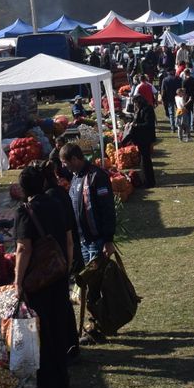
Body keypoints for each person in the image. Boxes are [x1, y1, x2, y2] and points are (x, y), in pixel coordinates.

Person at [14, 163, 75, 388]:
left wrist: (18, 281)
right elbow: (68, 240)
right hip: (58, 275)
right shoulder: (58, 204)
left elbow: (23, 249)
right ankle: (62, 377)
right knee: (59, 326)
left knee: (43, 330)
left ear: (22, 189)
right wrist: (65, 268)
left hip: (38, 281)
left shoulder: (25, 211)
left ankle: (46, 382)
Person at [60, 142, 116, 346]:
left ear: (75, 159)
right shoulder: (75, 178)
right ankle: (101, 323)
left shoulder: (96, 176)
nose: (65, 167)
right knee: (90, 285)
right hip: (83, 242)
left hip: (97, 240)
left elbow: (107, 208)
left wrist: (108, 239)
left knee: (95, 286)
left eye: (66, 163)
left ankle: (96, 327)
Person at [123, 93, 157, 187]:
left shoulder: (147, 109)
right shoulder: (141, 109)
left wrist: (136, 125)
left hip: (145, 138)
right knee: (144, 161)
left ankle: (149, 182)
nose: (135, 105)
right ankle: (146, 180)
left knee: (146, 161)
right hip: (142, 138)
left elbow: (149, 124)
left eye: (135, 103)